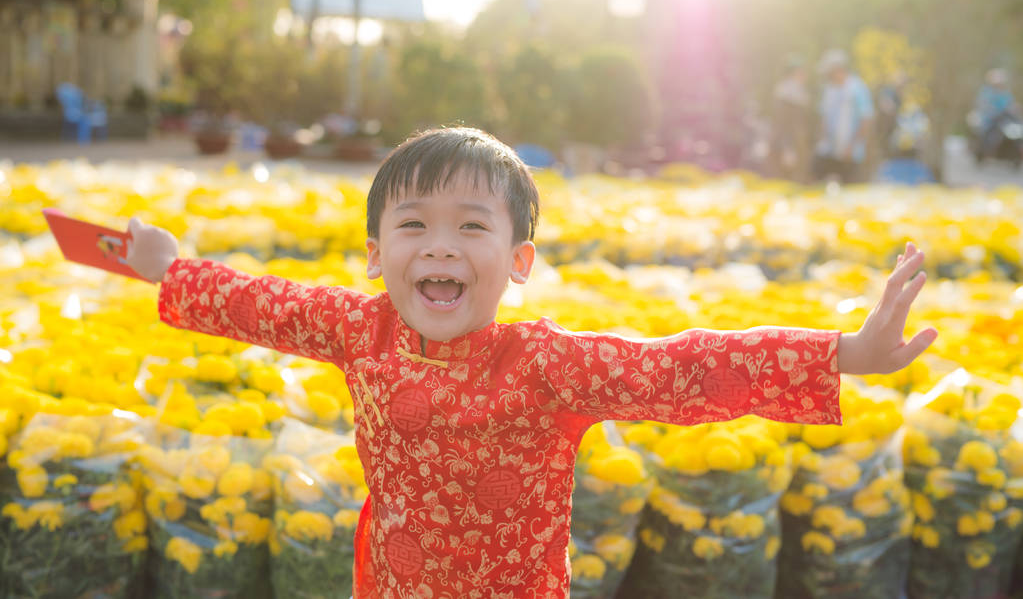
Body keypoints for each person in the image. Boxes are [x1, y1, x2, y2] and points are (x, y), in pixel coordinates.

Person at [125, 127, 937, 599]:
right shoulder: (358, 328)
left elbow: (681, 368)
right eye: (413, 224)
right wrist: (171, 268)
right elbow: (259, 303)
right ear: (375, 253)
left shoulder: (546, 364)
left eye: (471, 225)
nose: (439, 245)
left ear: (519, 261)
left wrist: (846, 352)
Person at [814, 49, 876, 183]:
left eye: (830, 73)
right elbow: (823, 117)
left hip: (851, 154)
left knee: (850, 187)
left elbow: (866, 119)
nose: (828, 77)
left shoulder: (857, 88)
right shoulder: (829, 90)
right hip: (830, 152)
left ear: (839, 70)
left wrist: (852, 146)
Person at [769, 55, 812, 182]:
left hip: (797, 142)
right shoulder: (785, 93)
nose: (804, 75)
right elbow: (783, 123)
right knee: (786, 178)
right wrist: (787, 148)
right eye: (801, 71)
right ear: (793, 73)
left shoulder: (799, 91)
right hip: (787, 144)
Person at [973, 68, 1020, 159]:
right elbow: (983, 105)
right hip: (990, 119)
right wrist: (992, 110)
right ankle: (986, 151)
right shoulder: (986, 92)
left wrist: (1015, 108)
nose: (999, 85)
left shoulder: (1005, 93)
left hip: (1004, 119)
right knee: (989, 133)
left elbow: (1010, 104)